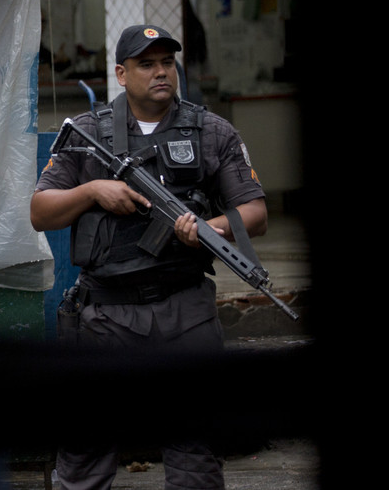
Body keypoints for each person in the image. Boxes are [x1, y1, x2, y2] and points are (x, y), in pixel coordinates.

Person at [30, 24, 267, 490]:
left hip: (185, 310)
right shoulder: (87, 133)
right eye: (146, 64)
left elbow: (254, 212)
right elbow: (41, 212)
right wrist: (93, 190)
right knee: (84, 455)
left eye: (166, 63)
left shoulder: (212, 131)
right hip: (106, 317)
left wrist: (208, 229)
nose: (161, 72)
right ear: (121, 73)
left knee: (196, 455)